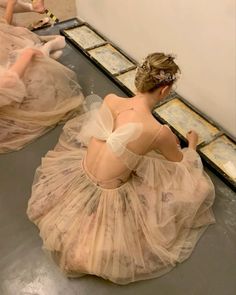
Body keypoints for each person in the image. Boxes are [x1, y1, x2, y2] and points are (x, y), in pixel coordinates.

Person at [27, 53, 215, 284]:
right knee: (199, 187)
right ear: (165, 91)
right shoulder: (158, 131)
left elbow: (120, 142)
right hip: (110, 195)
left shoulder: (111, 99)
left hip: (81, 174)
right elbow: (181, 164)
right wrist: (192, 145)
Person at [0, 0, 84, 152]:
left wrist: (32, 7)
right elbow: (8, 82)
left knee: (19, 39)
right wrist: (28, 54)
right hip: (7, 97)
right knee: (28, 58)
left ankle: (44, 53)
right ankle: (45, 52)